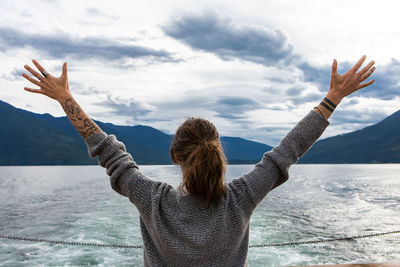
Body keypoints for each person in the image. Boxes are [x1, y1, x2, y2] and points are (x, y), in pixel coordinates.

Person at [22, 56, 375, 266]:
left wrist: (64, 98)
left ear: (175, 157)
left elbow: (108, 151)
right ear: (220, 153)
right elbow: (289, 148)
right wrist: (333, 97)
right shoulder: (241, 198)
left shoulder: (153, 200)